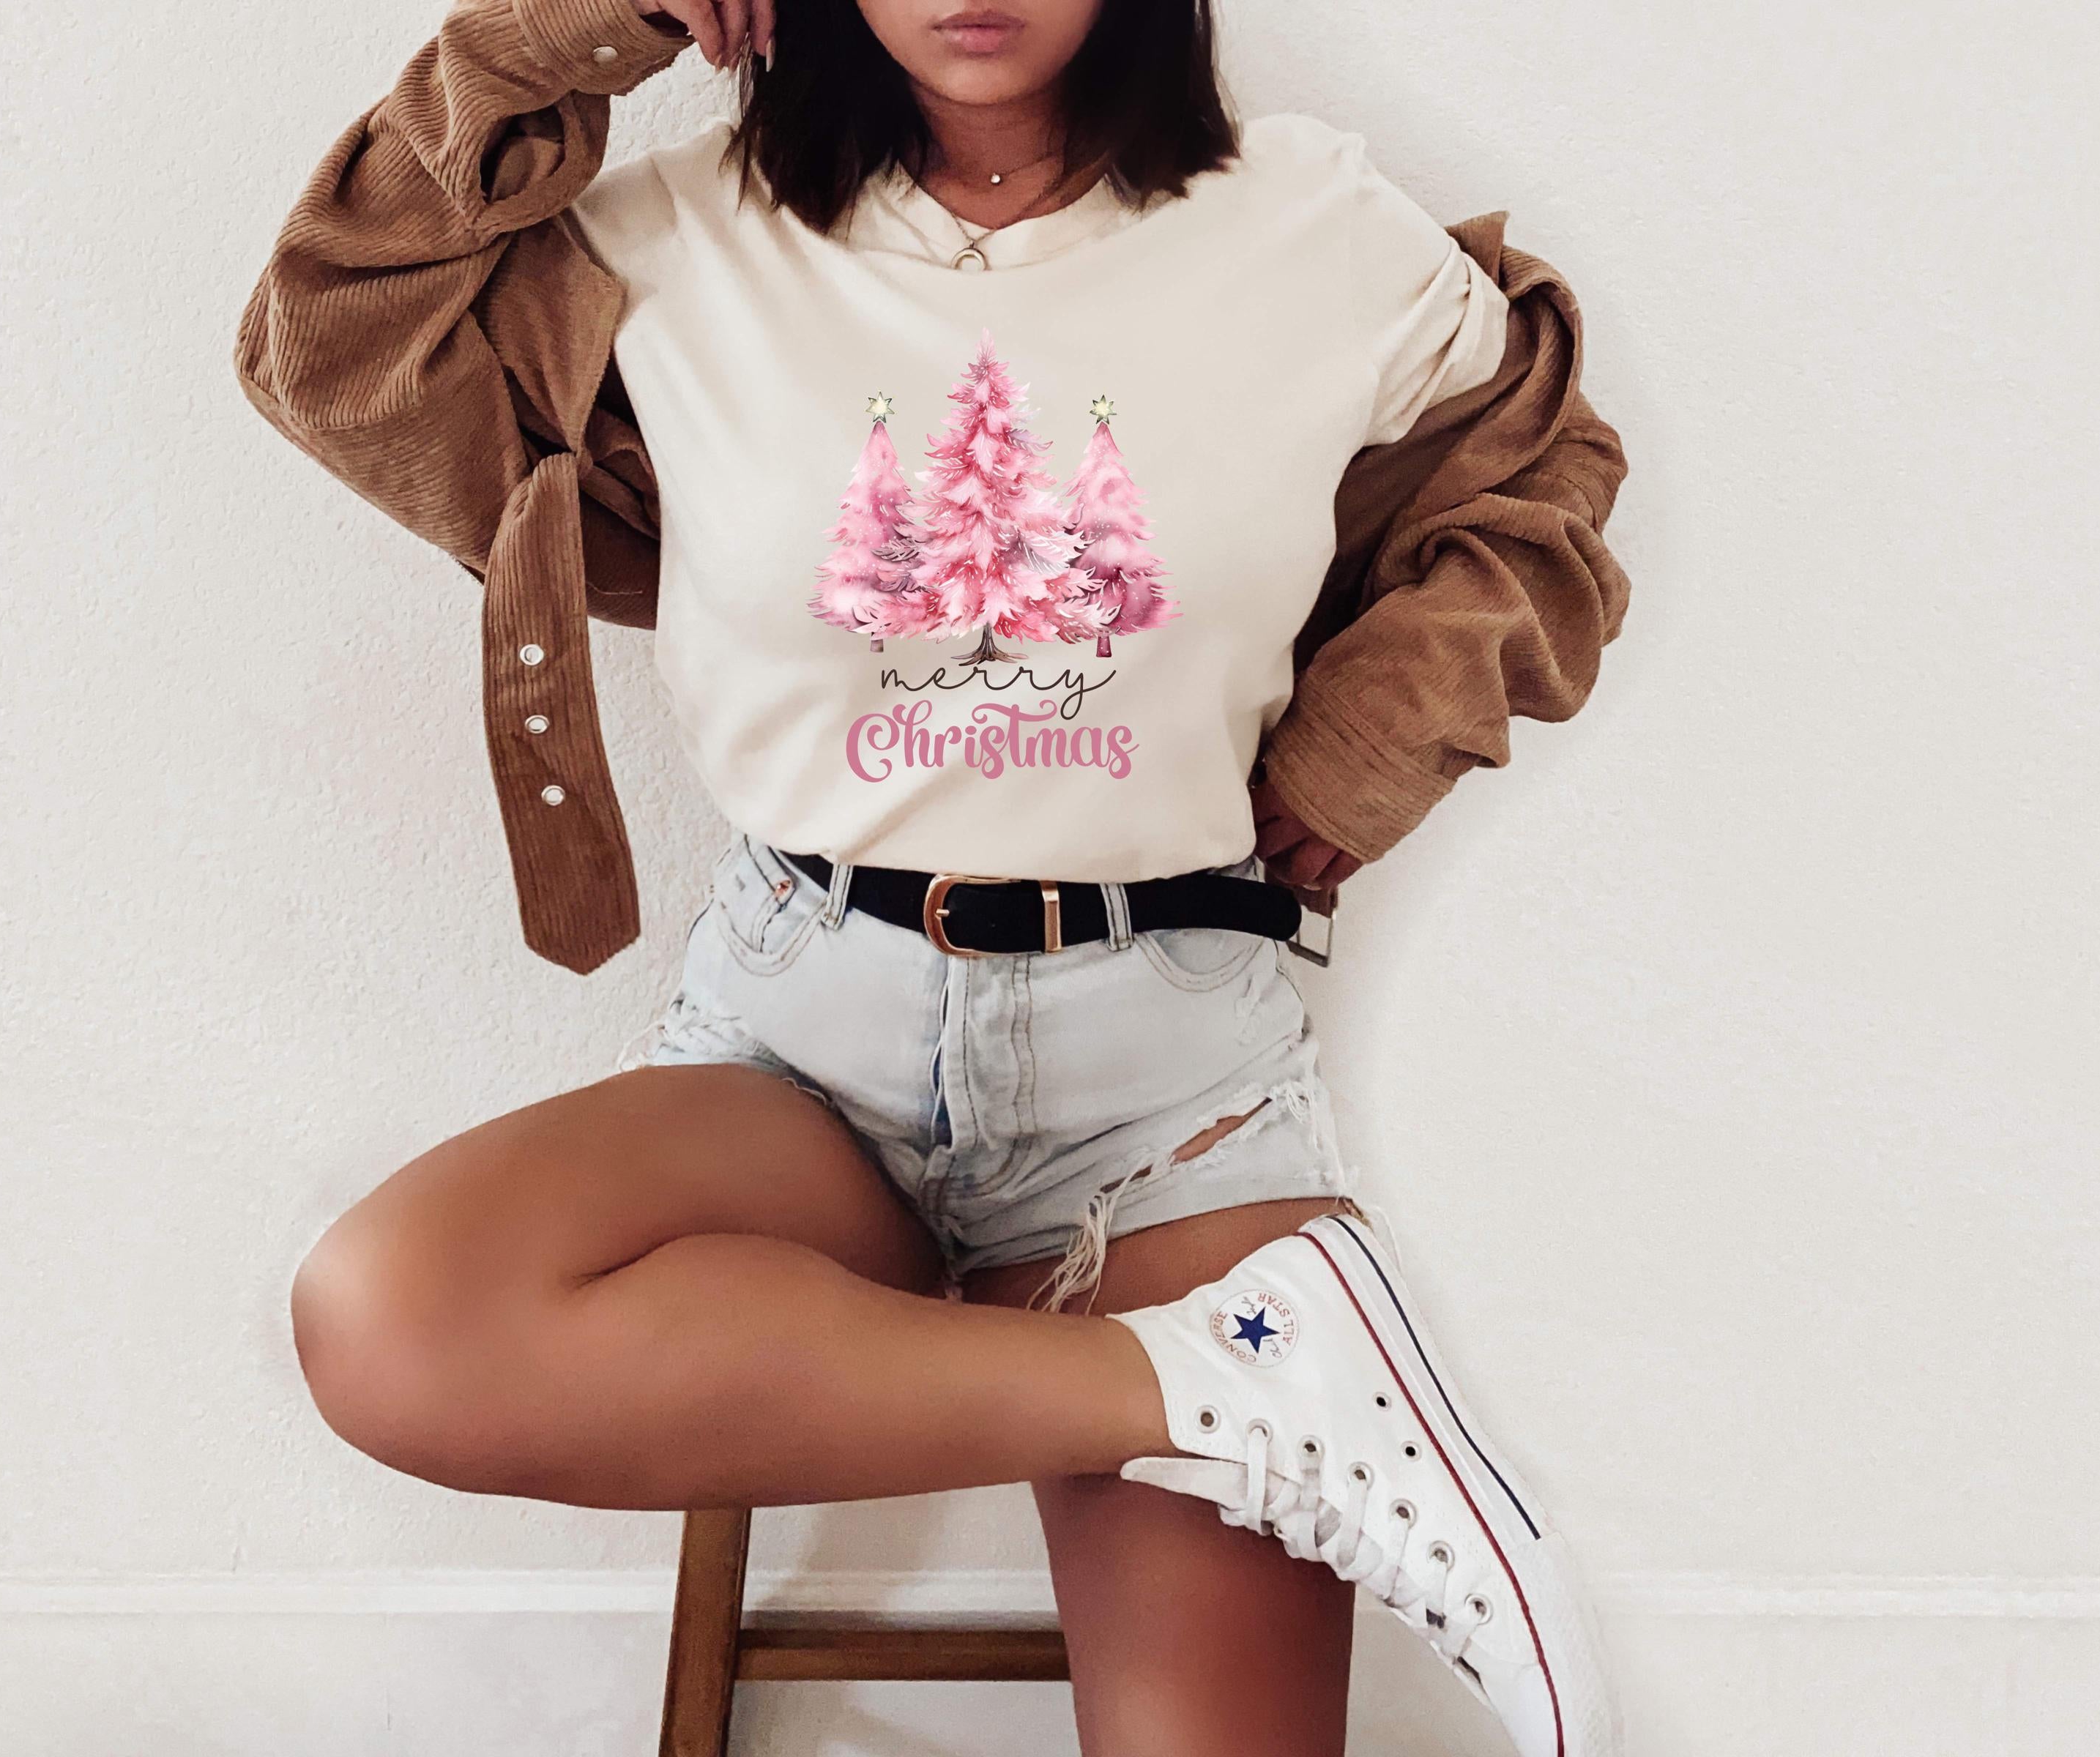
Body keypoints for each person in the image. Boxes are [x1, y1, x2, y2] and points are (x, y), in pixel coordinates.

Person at [234, 1, 1633, 1751]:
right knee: (394, 1320)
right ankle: (1245, 1380)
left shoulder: (1309, 228)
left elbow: (1542, 468)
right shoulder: (672, 235)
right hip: (799, 1046)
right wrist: (595, 24)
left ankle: (1259, 1376)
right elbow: (328, 339)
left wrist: (1374, 735)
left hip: (1168, 1081)